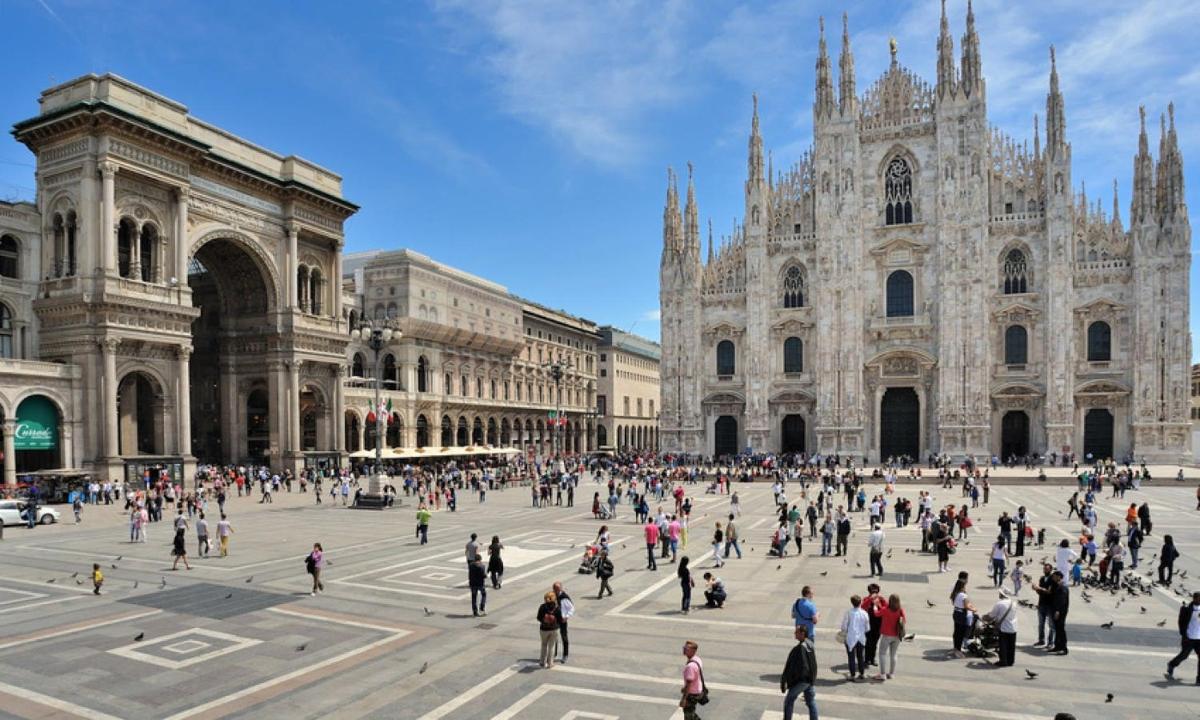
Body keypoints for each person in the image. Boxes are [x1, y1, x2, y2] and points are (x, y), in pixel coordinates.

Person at [780, 625, 819, 720]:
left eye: (796, 632)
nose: (794, 633)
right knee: (811, 702)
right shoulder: (809, 644)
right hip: (810, 679)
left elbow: (802, 667)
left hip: (802, 681)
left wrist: (792, 681)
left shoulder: (800, 648)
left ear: (802, 634)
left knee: (789, 700)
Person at [1165, 591, 1200, 684]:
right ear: (1194, 598)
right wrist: (1184, 635)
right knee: (1184, 655)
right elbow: (1181, 623)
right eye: (1198, 598)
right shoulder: (1186, 609)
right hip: (1189, 637)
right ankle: (1171, 664)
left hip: (1199, 638)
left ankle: (1199, 678)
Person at [983, 590, 1018, 667]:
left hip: (1004, 628)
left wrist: (984, 617)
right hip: (1014, 627)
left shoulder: (999, 604)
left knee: (1003, 645)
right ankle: (1010, 661)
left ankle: (1003, 661)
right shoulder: (1013, 603)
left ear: (1002, 595)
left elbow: (991, 616)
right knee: (1011, 646)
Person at [876, 593, 906, 680]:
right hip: (897, 636)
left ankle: (882, 674)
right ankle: (892, 673)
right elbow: (904, 620)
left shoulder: (886, 610)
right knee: (893, 655)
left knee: (882, 654)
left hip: (886, 635)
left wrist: (876, 606)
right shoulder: (900, 610)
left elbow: (877, 614)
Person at [840, 594, 869, 681]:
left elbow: (844, 627)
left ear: (852, 603)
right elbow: (867, 628)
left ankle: (852, 675)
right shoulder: (864, 613)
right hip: (861, 638)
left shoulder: (848, 613)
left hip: (850, 638)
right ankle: (862, 673)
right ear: (860, 602)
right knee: (860, 657)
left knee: (851, 657)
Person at [1031, 563, 1057, 649]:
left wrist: (1039, 588)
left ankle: (1050, 642)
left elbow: (1049, 592)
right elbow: (1040, 592)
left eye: (1046, 569)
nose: (1045, 570)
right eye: (1044, 569)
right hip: (1041, 603)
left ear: (1050, 570)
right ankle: (1041, 640)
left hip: (1050, 605)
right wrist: (1036, 589)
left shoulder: (1053, 580)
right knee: (1041, 624)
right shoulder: (1042, 578)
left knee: (1051, 625)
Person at [951, 574, 976, 658]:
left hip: (956, 613)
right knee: (961, 633)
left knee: (956, 631)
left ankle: (956, 648)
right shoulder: (963, 595)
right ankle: (958, 650)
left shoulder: (955, 594)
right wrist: (973, 609)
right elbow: (966, 606)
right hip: (962, 614)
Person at [680, 640, 706, 720]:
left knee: (688, 715)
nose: (684, 650)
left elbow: (689, 683)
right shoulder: (697, 659)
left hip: (691, 693)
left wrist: (684, 699)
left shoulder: (690, 666)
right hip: (697, 690)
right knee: (691, 712)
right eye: (684, 647)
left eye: (686, 649)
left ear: (693, 651)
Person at [862, 582, 885, 667]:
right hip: (868, 624)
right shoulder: (866, 599)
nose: (874, 594)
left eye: (876, 592)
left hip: (878, 624)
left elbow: (886, 608)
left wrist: (878, 604)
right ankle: (867, 659)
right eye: (872, 592)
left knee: (875, 642)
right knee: (868, 642)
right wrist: (870, 599)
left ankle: (872, 658)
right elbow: (862, 607)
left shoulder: (881, 599)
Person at [536, 591, 559, 668]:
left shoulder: (542, 607)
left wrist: (544, 621)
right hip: (554, 629)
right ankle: (550, 663)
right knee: (551, 646)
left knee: (544, 645)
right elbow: (560, 619)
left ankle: (542, 661)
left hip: (544, 629)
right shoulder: (557, 607)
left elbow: (538, 618)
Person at [1050, 570, 1070, 655]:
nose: (1053, 578)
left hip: (1060, 612)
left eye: (1054, 576)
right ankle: (1057, 646)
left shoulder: (1063, 587)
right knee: (1057, 629)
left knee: (1061, 629)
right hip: (1056, 610)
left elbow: (1062, 600)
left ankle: (1064, 648)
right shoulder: (1058, 585)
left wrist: (1058, 611)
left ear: (1059, 577)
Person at [553, 581, 573, 663]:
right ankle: (554, 653)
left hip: (562, 619)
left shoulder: (564, 597)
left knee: (564, 636)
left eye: (557, 589)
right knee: (553, 636)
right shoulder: (552, 595)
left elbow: (571, 608)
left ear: (561, 588)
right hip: (554, 619)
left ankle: (565, 655)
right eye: (555, 589)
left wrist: (566, 616)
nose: (556, 590)